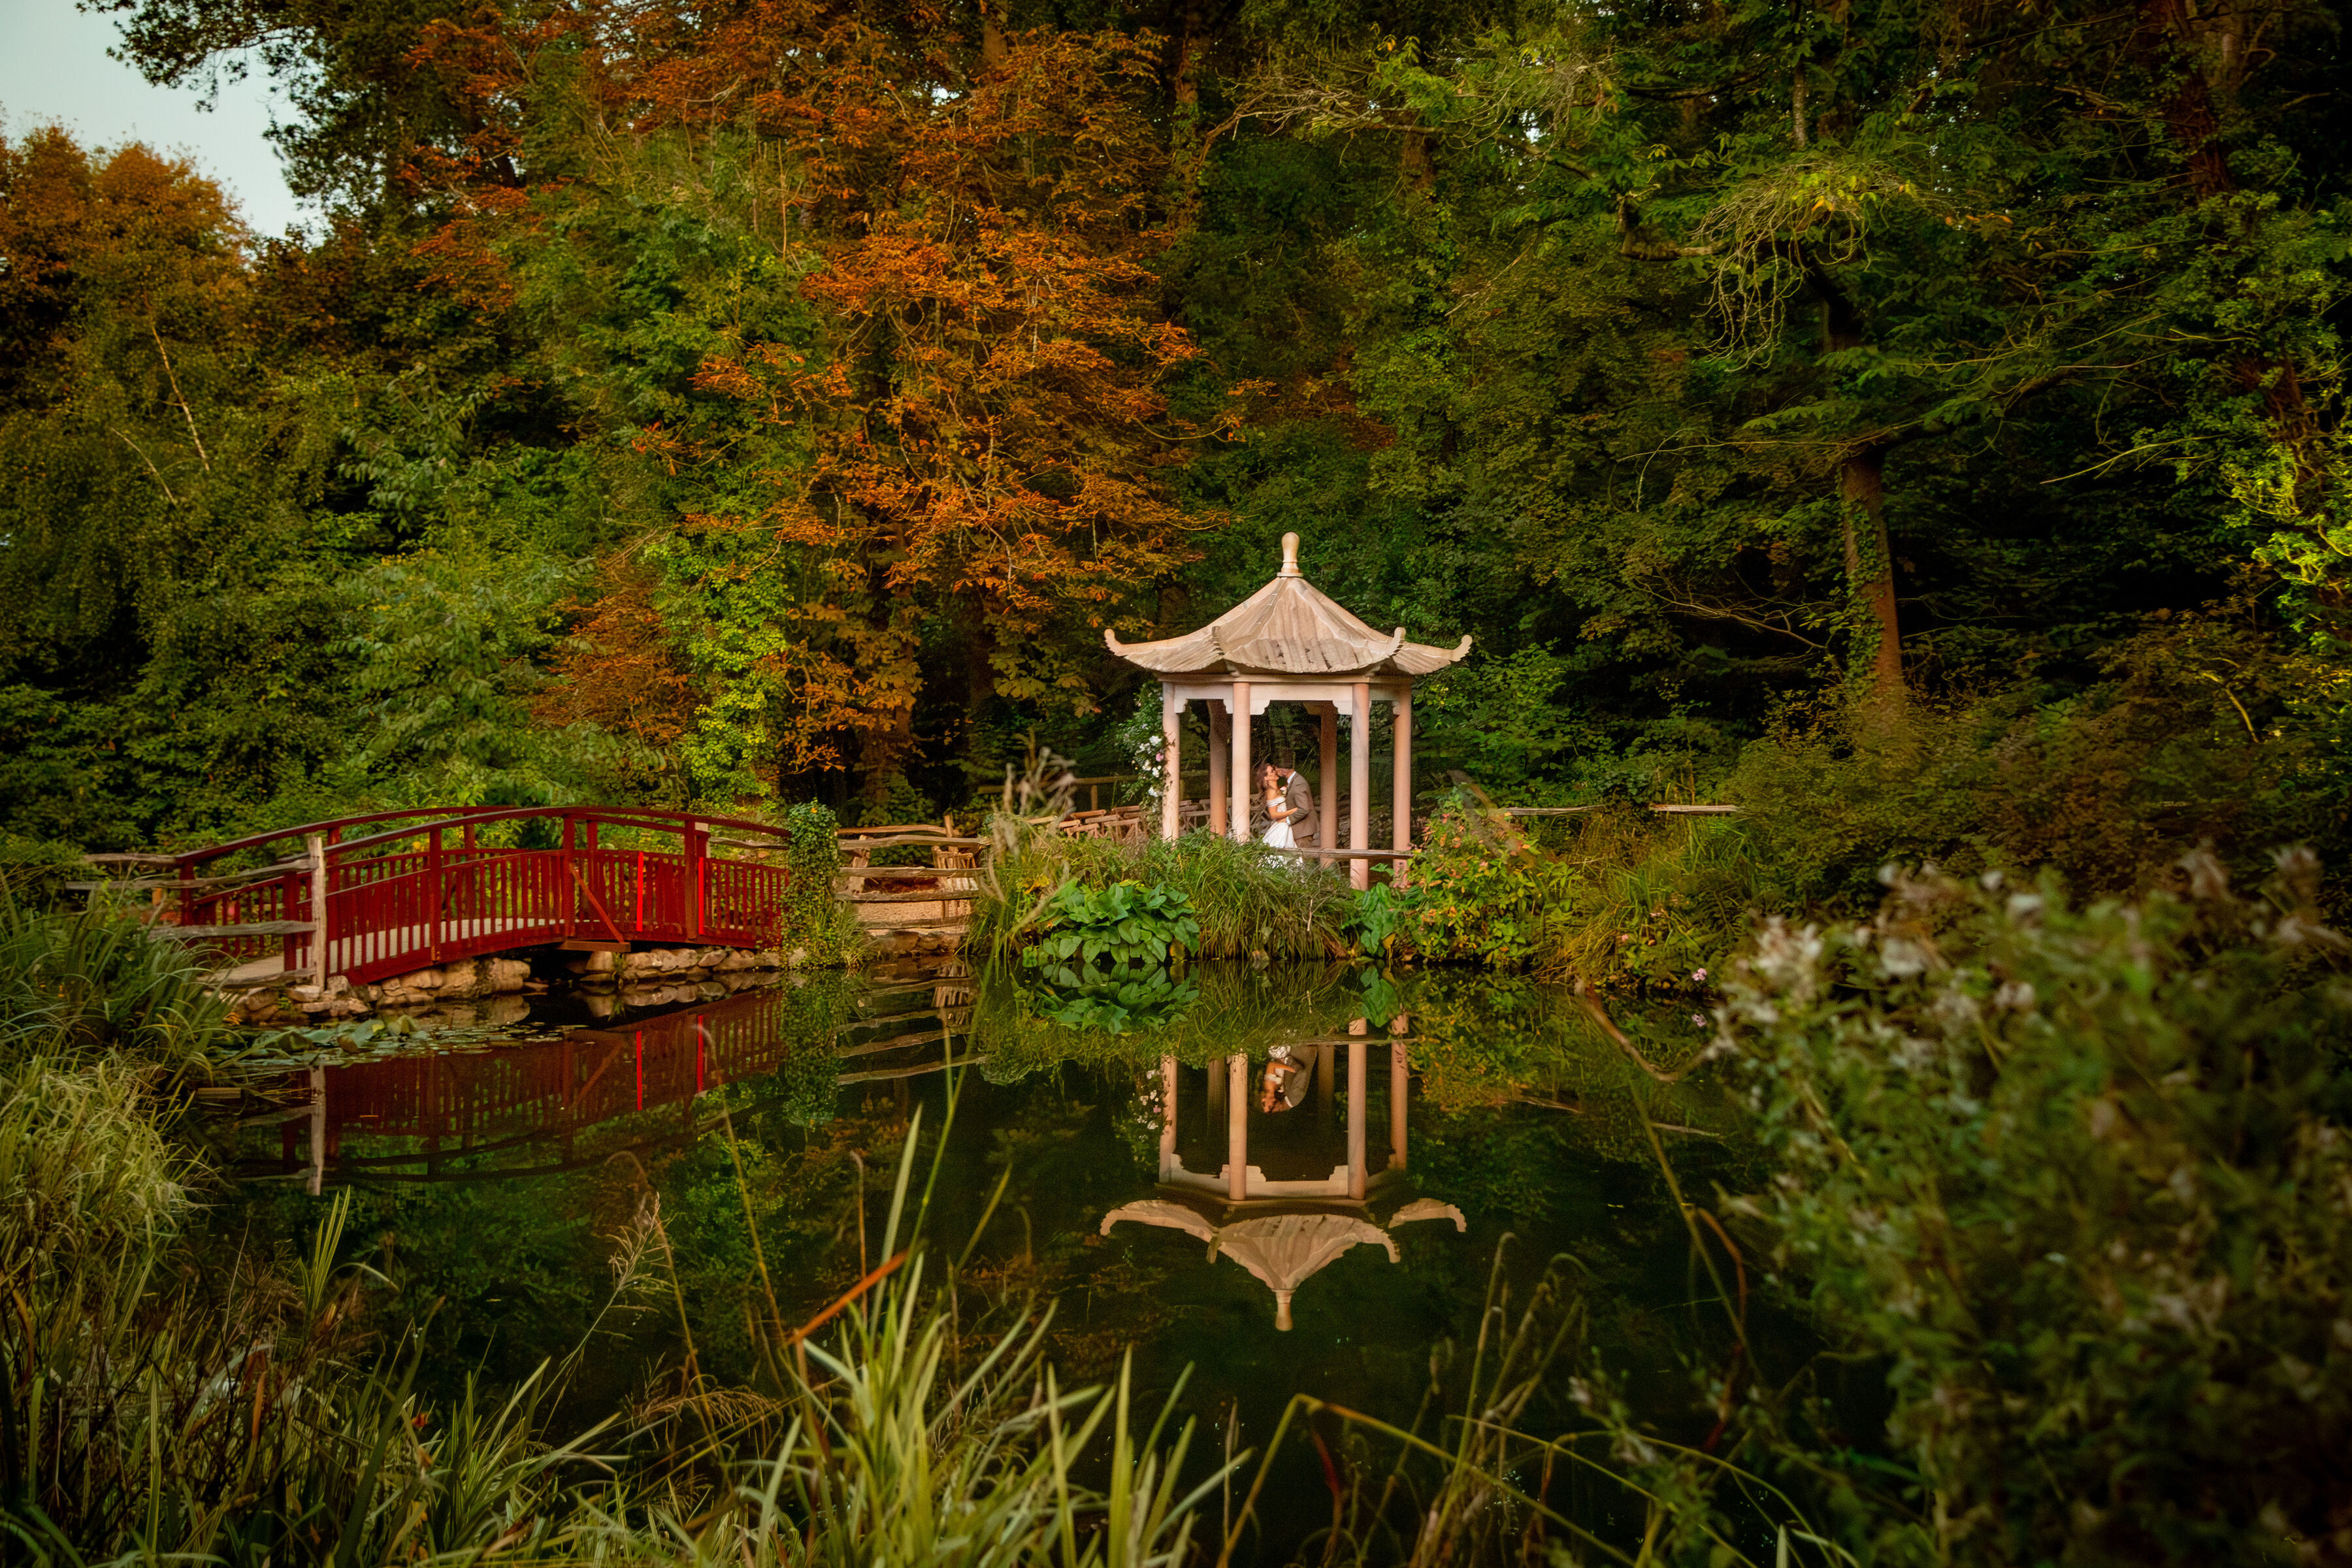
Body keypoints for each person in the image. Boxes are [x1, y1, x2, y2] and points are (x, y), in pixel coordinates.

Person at [1258, 762, 1297, 850]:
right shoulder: (1271, 792)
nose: (1275, 772)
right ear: (1266, 778)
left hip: (1286, 825)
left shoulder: (1278, 789)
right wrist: (1292, 811)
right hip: (1281, 827)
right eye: (1272, 771)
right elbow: (1273, 815)